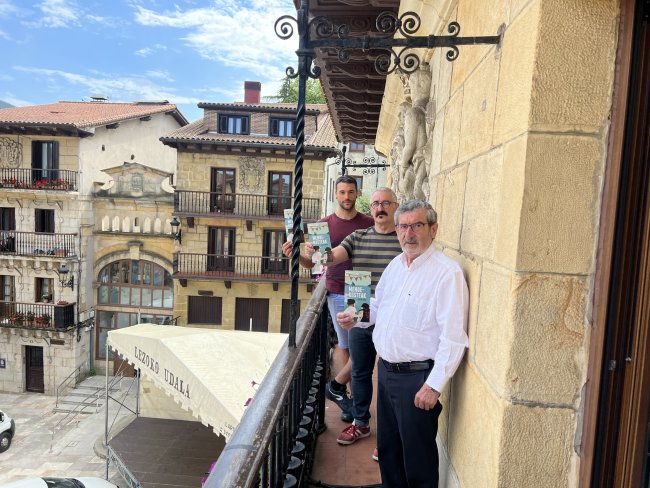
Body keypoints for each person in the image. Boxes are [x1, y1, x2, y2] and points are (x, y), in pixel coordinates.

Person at [338, 199, 469, 487]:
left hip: (417, 379)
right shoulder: (396, 266)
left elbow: (454, 336)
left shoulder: (447, 274)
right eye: (403, 226)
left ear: (433, 229)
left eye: (417, 226)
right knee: (389, 452)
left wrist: (434, 385)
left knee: (417, 460)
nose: (408, 233)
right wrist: (354, 315)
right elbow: (379, 307)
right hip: (385, 374)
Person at [287, 187, 402, 451]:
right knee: (360, 371)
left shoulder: (403, 239)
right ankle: (361, 422)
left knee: (390, 376)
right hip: (361, 313)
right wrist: (303, 252)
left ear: (395, 206)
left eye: (386, 203)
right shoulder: (358, 236)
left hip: (394, 317)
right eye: (376, 204)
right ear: (370, 208)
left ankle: (389, 435)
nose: (380, 208)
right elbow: (328, 259)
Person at [283, 175, 373, 422]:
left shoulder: (369, 222)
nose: (346, 197)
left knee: (365, 347)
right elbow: (313, 264)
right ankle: (352, 401)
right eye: (342, 192)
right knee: (346, 347)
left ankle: (336, 387)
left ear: (357, 194)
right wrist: (296, 255)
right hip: (335, 290)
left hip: (362, 289)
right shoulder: (324, 225)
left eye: (351, 192)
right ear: (336, 194)